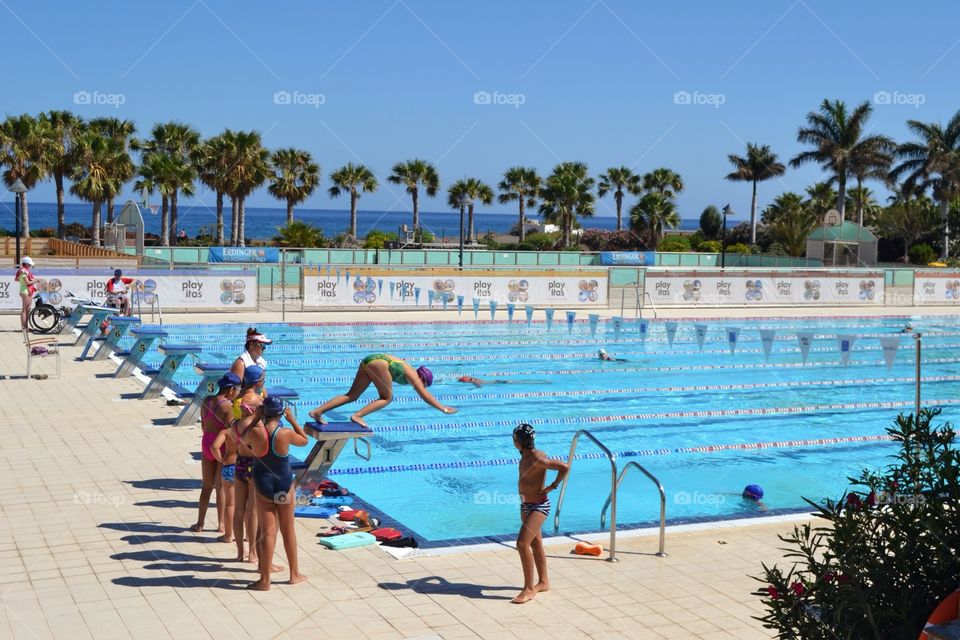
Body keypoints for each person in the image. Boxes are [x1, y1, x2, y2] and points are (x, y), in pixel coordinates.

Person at [237, 397, 309, 591]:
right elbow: (304, 440)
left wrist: (254, 419)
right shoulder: (284, 433)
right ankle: (294, 574)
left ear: (263, 412)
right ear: (280, 413)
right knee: (288, 530)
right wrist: (293, 420)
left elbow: (241, 438)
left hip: (263, 486)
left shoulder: (254, 432)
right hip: (283, 486)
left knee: (267, 532)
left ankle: (265, 580)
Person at [308, 354, 456, 428]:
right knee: (387, 398)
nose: (421, 386)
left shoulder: (410, 369)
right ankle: (358, 416)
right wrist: (443, 408)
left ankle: (318, 411)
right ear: (423, 379)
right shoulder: (414, 375)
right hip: (380, 364)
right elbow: (425, 396)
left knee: (352, 395)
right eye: (424, 384)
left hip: (369, 359)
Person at [511, 423, 569, 605]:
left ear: (517, 441)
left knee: (522, 544)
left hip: (538, 506)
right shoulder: (527, 455)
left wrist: (552, 486)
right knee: (536, 544)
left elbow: (564, 467)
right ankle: (543, 582)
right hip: (526, 505)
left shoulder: (537, 458)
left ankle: (529, 589)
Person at [191, 373, 240, 534]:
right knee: (221, 488)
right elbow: (233, 432)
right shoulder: (228, 408)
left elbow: (204, 425)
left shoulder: (207, 400)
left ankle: (199, 524)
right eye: (238, 389)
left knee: (206, 487)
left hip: (206, 443)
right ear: (231, 390)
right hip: (220, 446)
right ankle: (221, 525)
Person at [230, 365, 267, 565]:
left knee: (238, 509)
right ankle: (252, 553)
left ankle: (239, 552)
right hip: (254, 466)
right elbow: (264, 450)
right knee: (252, 511)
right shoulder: (257, 428)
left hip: (239, 463)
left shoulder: (235, 425)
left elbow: (231, 445)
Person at [15, 256, 40, 331]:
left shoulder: (23, 271)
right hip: (25, 291)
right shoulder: (23, 272)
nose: (30, 266)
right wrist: (36, 280)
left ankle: (26, 327)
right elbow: (27, 282)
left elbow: (19, 280)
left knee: (27, 309)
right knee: (25, 310)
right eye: (29, 264)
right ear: (26, 264)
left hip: (26, 291)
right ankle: (24, 327)